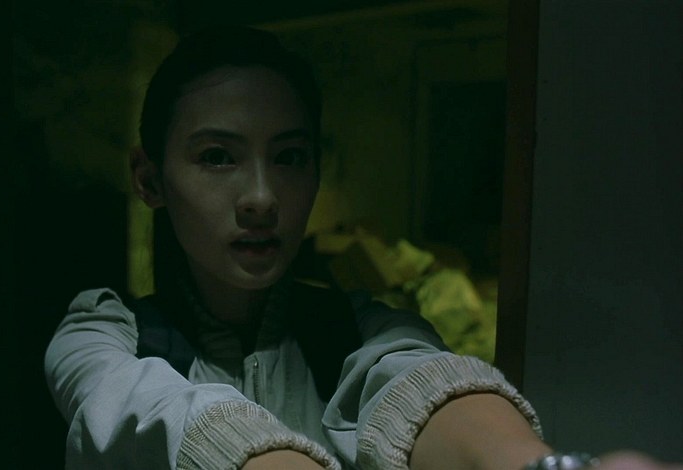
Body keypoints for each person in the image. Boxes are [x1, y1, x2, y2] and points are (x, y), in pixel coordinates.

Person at [44, 26, 680, 470]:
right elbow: (147, 407)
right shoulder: (106, 335)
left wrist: (538, 466)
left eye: (290, 157)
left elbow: (419, 382)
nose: (262, 197)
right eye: (217, 157)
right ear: (149, 179)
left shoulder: (358, 329)